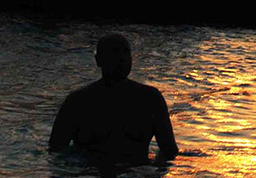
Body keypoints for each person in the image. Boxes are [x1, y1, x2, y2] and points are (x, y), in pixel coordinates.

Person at [49, 33, 179, 172]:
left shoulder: (151, 99)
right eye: (114, 52)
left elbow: (169, 151)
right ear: (98, 60)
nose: (121, 59)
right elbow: (56, 151)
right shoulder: (77, 102)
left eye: (125, 52)